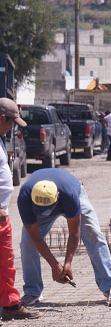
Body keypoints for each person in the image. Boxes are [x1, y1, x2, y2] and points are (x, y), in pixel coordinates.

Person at [18, 169, 111, 307]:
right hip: (44, 201)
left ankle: (110, 286)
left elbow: (74, 232)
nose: (47, 215)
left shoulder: (70, 196)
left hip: (74, 193)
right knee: (27, 243)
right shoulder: (24, 198)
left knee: (93, 233)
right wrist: (55, 265)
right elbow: (35, 237)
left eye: (49, 210)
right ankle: (32, 292)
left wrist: (67, 263)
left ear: (58, 197)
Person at [0, 98, 40, 320]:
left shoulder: (0, 140)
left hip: (2, 214)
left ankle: (10, 304)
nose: (12, 127)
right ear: (1, 119)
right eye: (11, 123)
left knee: (5, 262)